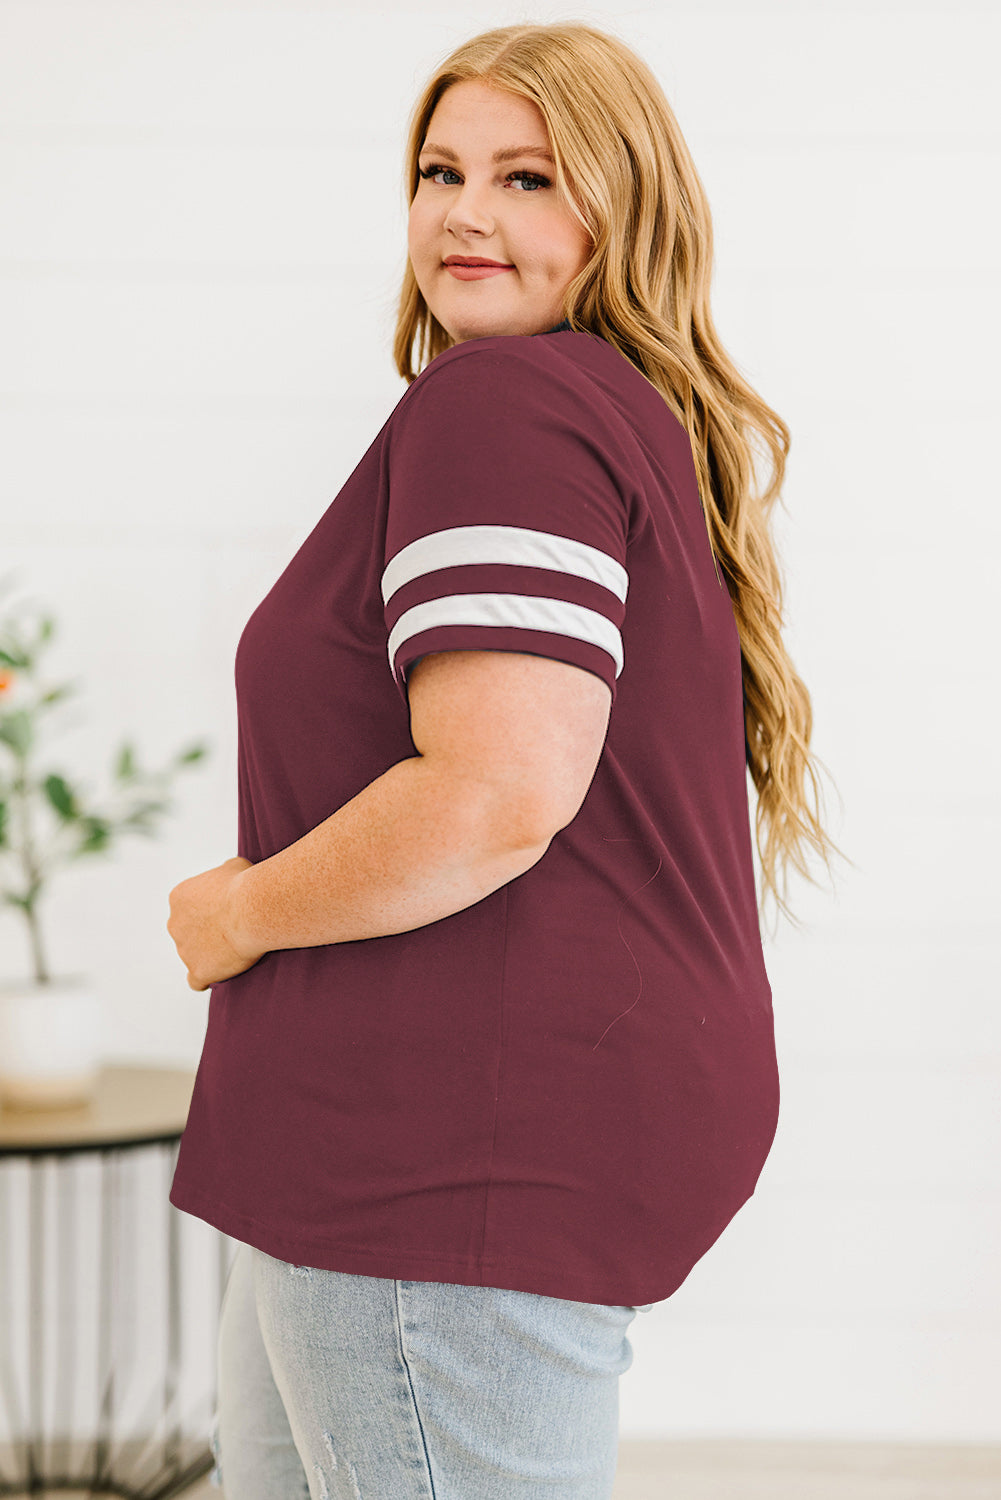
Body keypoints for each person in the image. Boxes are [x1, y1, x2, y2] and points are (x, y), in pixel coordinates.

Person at [166, 19, 839, 1500]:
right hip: (404, 1131)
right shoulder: (602, 411)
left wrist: (237, 913)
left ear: (623, 209)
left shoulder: (507, 406)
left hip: (441, 1144)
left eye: (527, 177)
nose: (466, 213)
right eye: (440, 171)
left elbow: (495, 794)